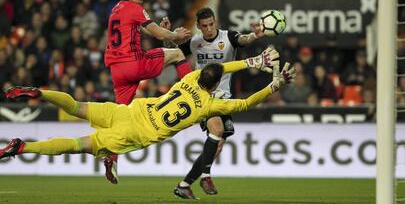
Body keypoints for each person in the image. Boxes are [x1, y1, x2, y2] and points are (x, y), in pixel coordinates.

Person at [0, 49, 295, 182]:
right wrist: (273, 84)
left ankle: (41, 92)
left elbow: (220, 68)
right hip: (133, 134)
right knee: (77, 145)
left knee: (76, 106)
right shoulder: (209, 106)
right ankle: (24, 146)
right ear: (216, 85)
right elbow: (244, 104)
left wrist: (249, 62)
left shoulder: (189, 78)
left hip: (127, 111)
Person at [103, 0, 193, 184]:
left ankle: (111, 159)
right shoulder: (135, 8)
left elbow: (136, 30)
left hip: (117, 71)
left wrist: (157, 30)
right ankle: (195, 91)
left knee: (119, 116)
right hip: (134, 64)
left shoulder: (116, 10)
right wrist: (175, 35)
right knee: (177, 53)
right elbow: (159, 34)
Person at [173, 7, 268, 198]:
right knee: (217, 131)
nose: (208, 29)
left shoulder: (228, 37)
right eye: (204, 26)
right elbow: (172, 53)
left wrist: (254, 36)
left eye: (211, 24)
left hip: (224, 97)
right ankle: (206, 176)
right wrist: (168, 37)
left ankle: (185, 184)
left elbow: (243, 39)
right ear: (199, 26)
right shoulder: (194, 42)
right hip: (203, 96)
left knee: (217, 146)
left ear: (215, 22)